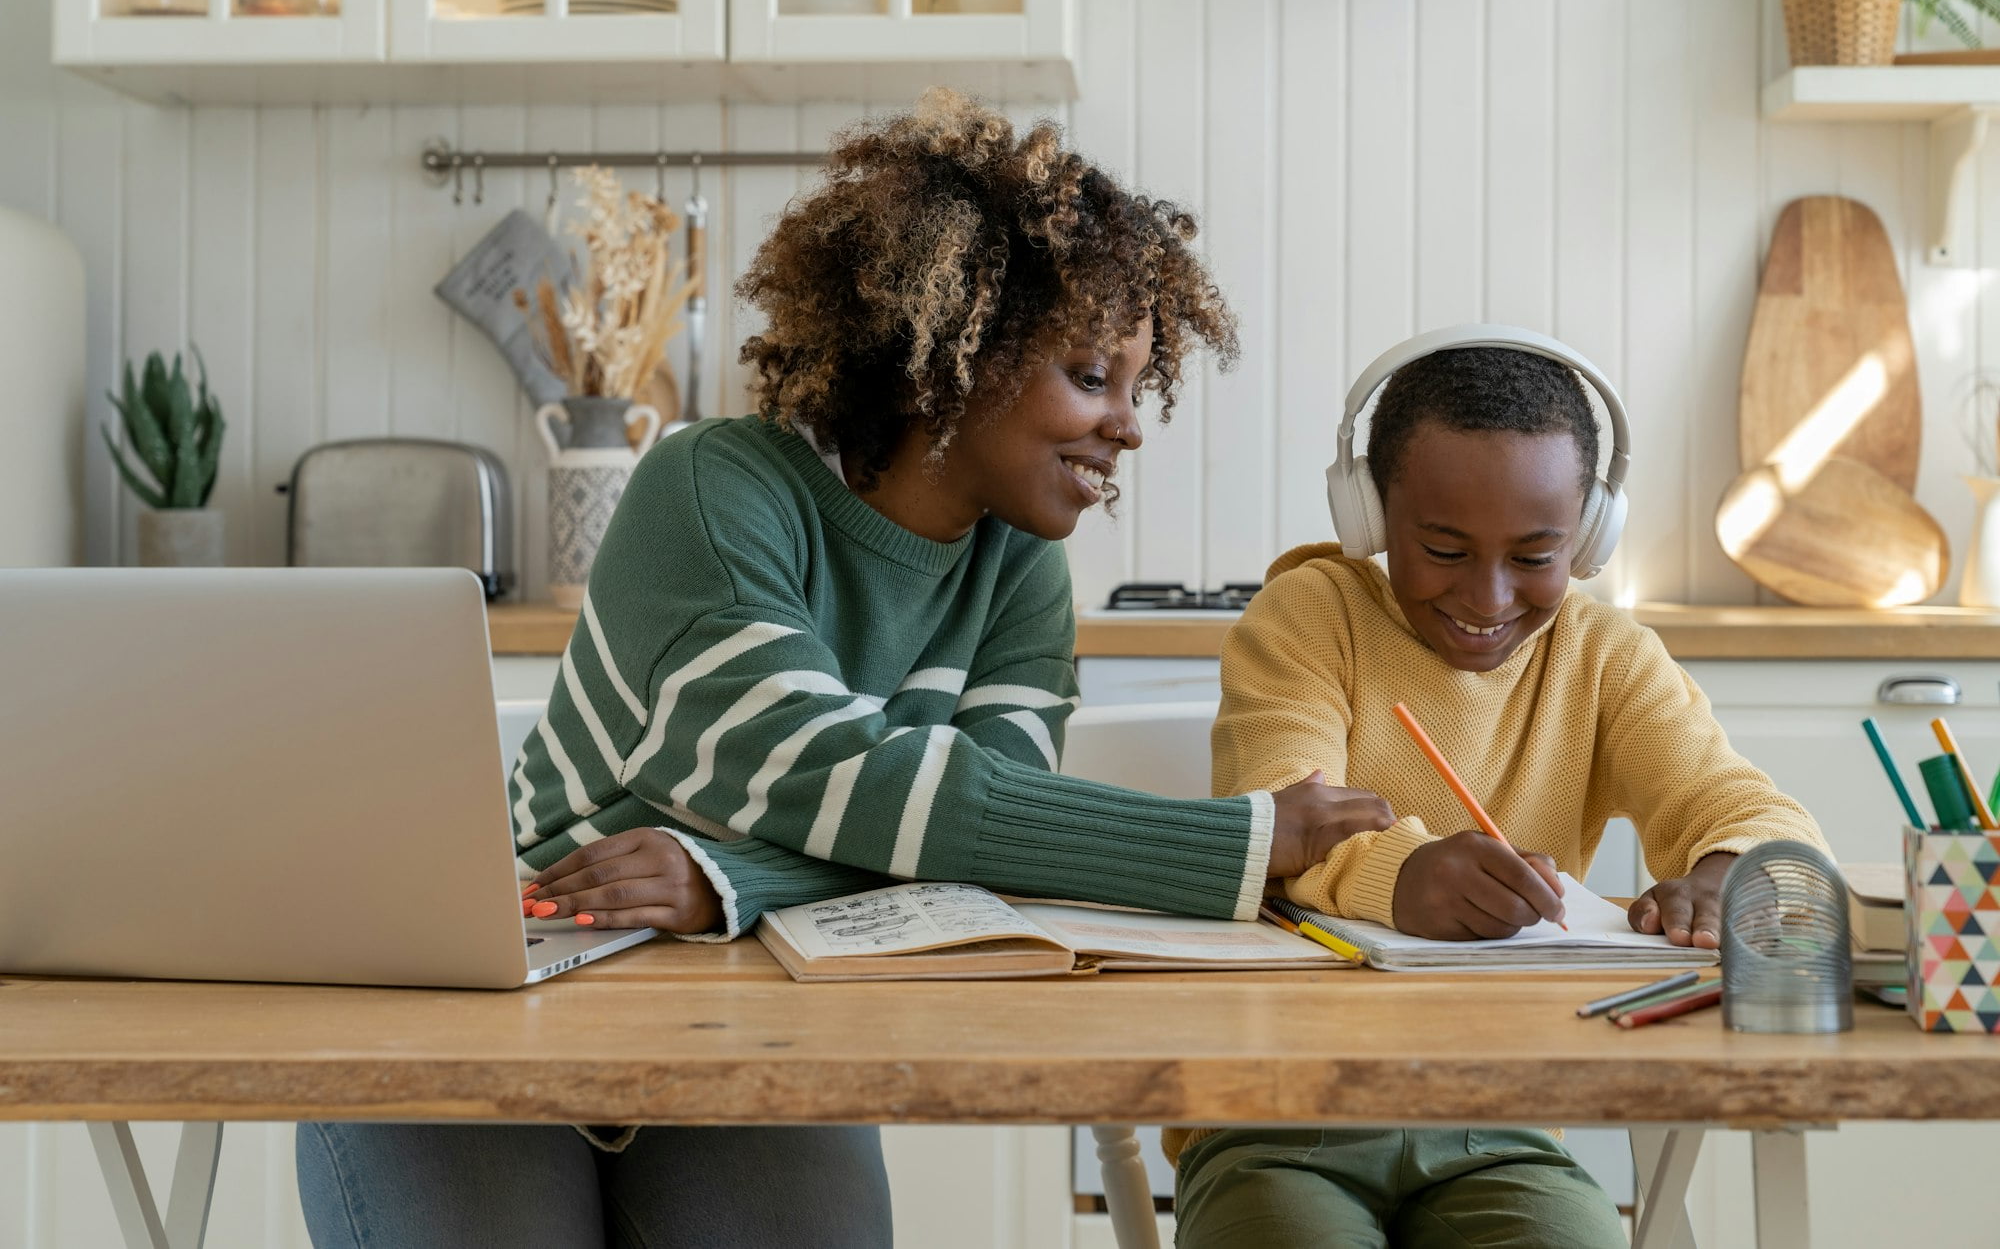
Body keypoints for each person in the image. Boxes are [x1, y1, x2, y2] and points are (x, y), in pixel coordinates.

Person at [296, 90, 1394, 1248]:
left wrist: (729, 878)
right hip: (502, 981)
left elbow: (978, 837)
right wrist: (1238, 840)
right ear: (951, 356)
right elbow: (855, 784)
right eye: (1087, 374)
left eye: (1135, 382)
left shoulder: (1020, 567)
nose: (1126, 424)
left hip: (736, 997)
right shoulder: (713, 489)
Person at [1169, 331, 1829, 1249]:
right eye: (1441, 547)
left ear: (1590, 537)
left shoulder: (1606, 658)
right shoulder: (1308, 617)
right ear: (1368, 516)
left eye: (1533, 555)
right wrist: (1400, 878)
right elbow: (1281, 817)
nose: (1487, 594)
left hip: (1503, 1129)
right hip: (1279, 1116)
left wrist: (1725, 872)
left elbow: (1751, 809)